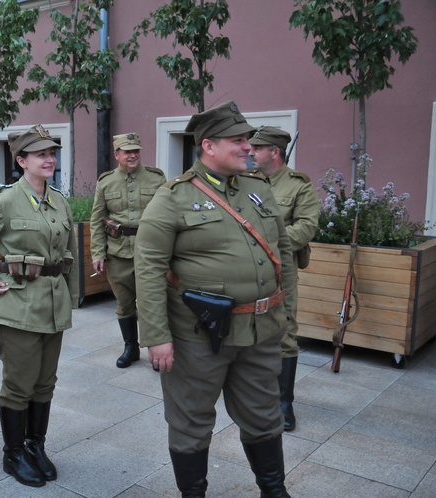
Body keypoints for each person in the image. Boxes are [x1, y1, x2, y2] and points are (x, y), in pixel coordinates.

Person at [135, 101, 295, 497]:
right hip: (198, 336)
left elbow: (284, 252)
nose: (247, 148)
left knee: (263, 416)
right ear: (208, 146)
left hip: (260, 331)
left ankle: (274, 491)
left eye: (249, 141)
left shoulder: (258, 189)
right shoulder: (172, 197)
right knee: (191, 421)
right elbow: (149, 268)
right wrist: (156, 336)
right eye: (238, 141)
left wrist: (287, 311)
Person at [0, 125, 79, 488]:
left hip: (53, 306)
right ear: (21, 161)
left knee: (45, 384)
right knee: (19, 385)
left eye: (52, 153)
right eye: (40, 154)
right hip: (17, 306)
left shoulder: (59, 200)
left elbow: (66, 254)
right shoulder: (5, 200)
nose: (49, 159)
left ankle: (34, 446)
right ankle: (13, 455)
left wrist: (70, 301)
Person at [249, 126, 320, 432]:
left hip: (281, 269)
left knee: (285, 331)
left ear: (274, 152)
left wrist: (265, 238)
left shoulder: (299, 187)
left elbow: (306, 228)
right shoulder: (244, 183)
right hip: (247, 268)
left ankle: (284, 403)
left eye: (256, 148)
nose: (249, 152)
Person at [90, 133, 166, 368]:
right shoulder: (105, 182)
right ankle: (131, 348)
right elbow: (97, 219)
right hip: (118, 253)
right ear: (117, 155)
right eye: (127, 151)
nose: (132, 155)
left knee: (151, 302)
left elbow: (168, 215)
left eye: (136, 151)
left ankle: (155, 351)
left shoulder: (156, 179)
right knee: (124, 303)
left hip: (150, 251)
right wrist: (97, 253)